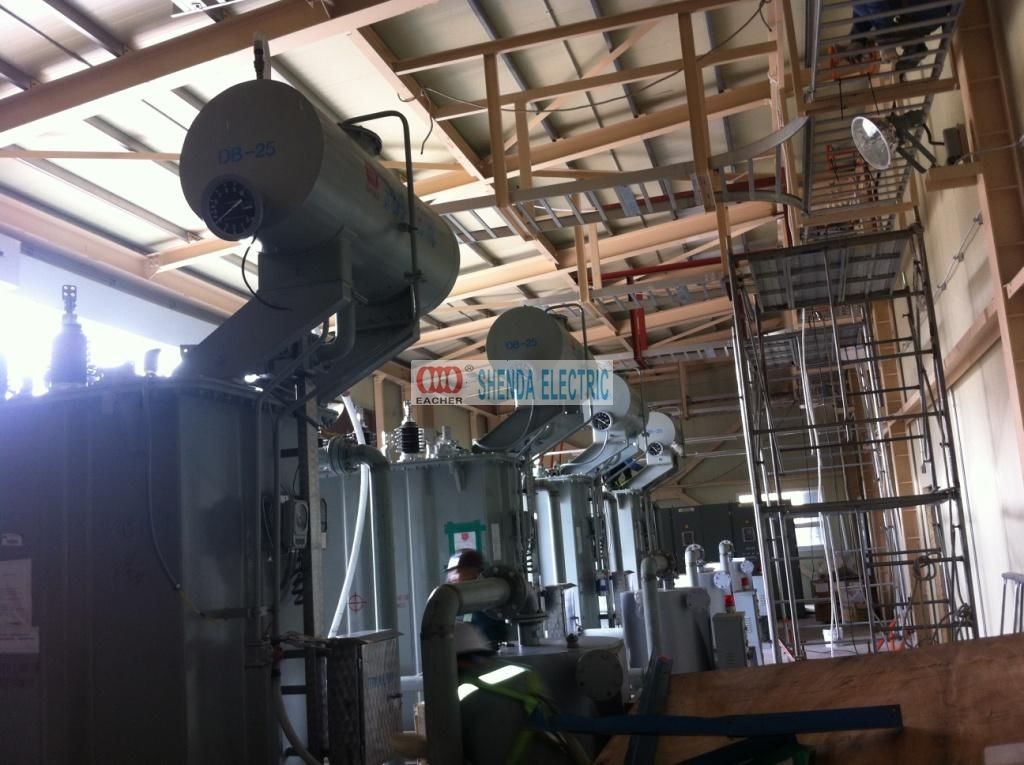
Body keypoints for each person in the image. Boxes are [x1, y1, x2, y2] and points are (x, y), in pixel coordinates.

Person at [843, 0, 954, 72]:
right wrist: (857, 39)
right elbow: (863, 10)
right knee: (890, 27)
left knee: (890, 28)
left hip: (928, 8)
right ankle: (913, 44)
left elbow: (878, 11)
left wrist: (886, 43)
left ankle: (913, 45)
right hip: (923, 10)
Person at [446, 548, 511, 649]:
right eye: (450, 573)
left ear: (474, 573)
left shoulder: (488, 604)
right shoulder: (464, 604)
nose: (451, 578)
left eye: (456, 572)